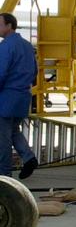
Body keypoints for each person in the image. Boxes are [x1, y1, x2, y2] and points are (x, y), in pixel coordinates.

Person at [0, 12, 38, 180]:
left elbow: (1, 73)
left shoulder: (6, 46)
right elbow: (35, 71)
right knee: (14, 130)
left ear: (9, 26)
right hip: (23, 97)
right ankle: (29, 158)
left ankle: (4, 176)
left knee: (3, 139)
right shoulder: (27, 45)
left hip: (6, 98)